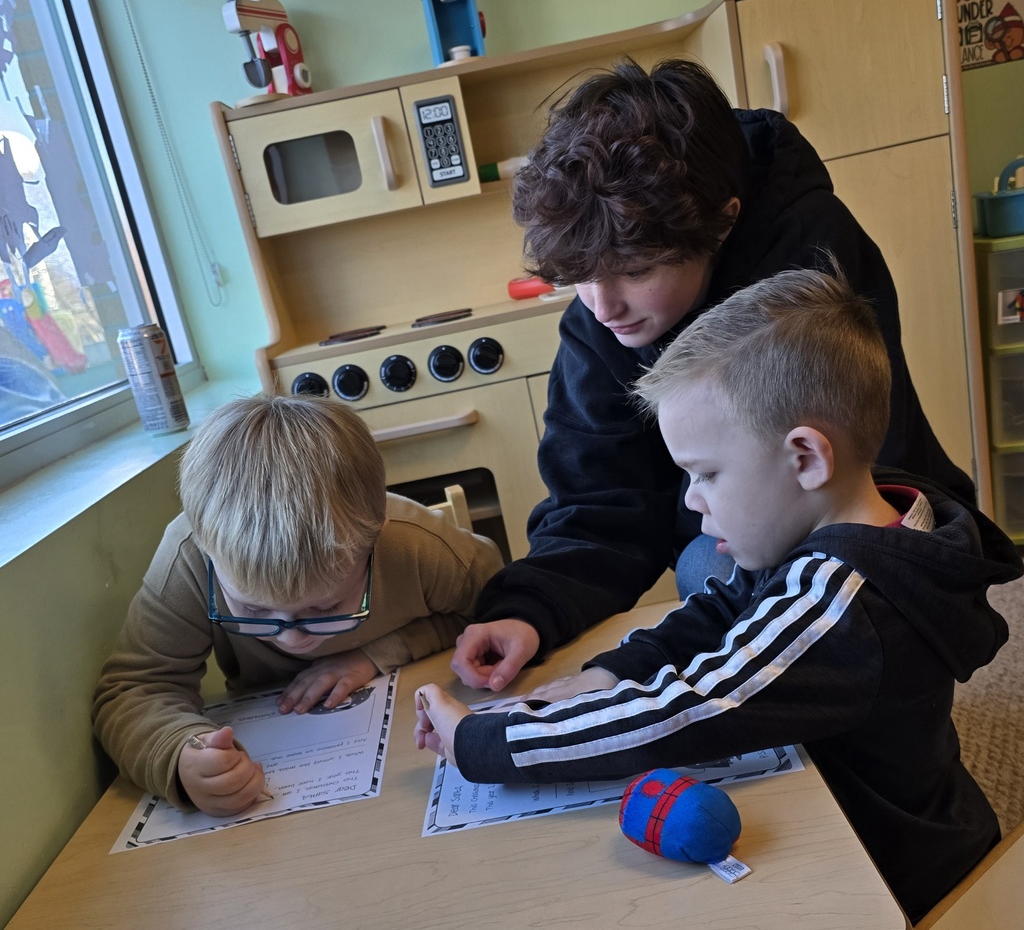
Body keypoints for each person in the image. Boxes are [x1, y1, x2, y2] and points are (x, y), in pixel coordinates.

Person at [416, 268, 1022, 923]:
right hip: (874, 811)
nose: (690, 500)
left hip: (897, 879)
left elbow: (682, 711)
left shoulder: (841, 605)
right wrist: (611, 670)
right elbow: (724, 608)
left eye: (705, 474)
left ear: (806, 459)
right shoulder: (854, 516)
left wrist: (485, 742)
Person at [450, 57, 976, 694]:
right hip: (749, 528)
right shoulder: (601, 313)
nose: (602, 304)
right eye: (579, 275)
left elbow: (854, 488)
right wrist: (528, 609)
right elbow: (598, 500)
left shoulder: (810, 256)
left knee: (710, 566)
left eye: (635, 271)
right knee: (708, 568)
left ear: (722, 221)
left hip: (859, 531)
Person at [93, 393, 503, 817]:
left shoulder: (415, 545)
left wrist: (376, 653)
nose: (291, 637)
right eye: (253, 611)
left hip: (411, 761)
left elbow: (500, 613)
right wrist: (182, 754)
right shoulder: (190, 560)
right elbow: (133, 689)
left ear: (374, 538)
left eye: (325, 609)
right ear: (206, 548)